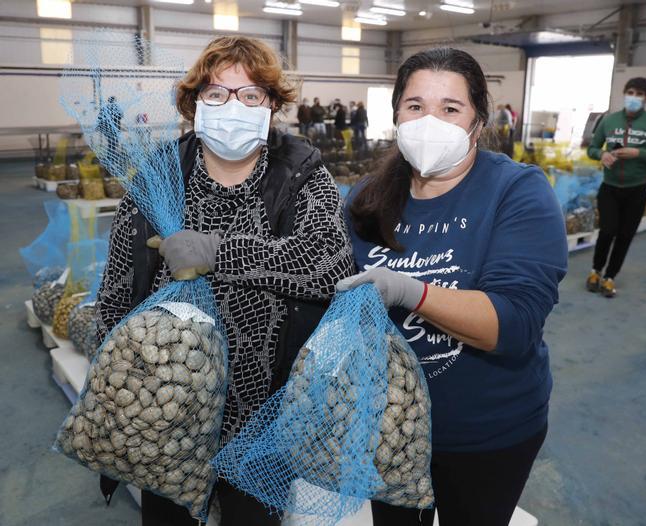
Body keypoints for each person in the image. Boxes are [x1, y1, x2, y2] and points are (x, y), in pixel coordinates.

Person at [96, 35, 354, 526]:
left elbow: (330, 264)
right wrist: (126, 373)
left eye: (250, 94)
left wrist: (219, 252)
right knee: (167, 516)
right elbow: (118, 286)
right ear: (194, 104)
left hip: (264, 413)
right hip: (169, 402)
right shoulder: (160, 173)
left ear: (272, 105)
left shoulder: (301, 172)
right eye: (216, 94)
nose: (232, 106)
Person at [337, 47, 567, 526]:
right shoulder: (366, 197)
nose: (429, 121)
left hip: (486, 435)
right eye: (416, 106)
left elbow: (514, 322)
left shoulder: (517, 191)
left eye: (450, 108)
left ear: (477, 123)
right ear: (397, 115)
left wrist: (410, 292)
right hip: (389, 427)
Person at [586, 77, 646, 297]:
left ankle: (610, 277)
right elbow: (592, 148)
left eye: (639, 94)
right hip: (609, 187)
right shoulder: (609, 121)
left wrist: (640, 153)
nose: (633, 97)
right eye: (630, 92)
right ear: (624, 93)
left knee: (625, 234)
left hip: (637, 189)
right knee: (607, 230)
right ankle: (595, 271)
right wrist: (603, 154)